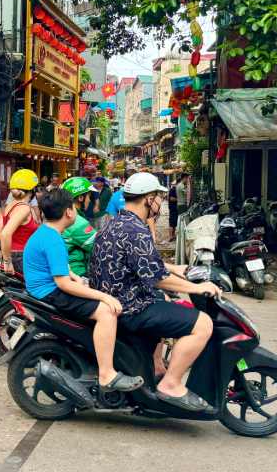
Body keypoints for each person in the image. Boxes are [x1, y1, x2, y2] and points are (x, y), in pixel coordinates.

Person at [90, 172, 221, 411]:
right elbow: (158, 278)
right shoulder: (136, 230)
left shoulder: (117, 223)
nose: (160, 202)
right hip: (130, 307)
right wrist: (196, 287)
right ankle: (170, 384)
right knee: (202, 324)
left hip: (118, 299)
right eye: (158, 197)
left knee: (167, 302)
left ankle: (158, 368)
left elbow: (142, 262)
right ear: (148, 199)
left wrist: (178, 269)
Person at [24, 189, 144, 392]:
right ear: (69, 212)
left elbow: (58, 267)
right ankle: (107, 374)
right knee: (107, 312)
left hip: (44, 288)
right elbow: (62, 284)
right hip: (50, 293)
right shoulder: (53, 239)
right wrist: (104, 296)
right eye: (73, 207)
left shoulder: (47, 232)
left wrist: (74, 276)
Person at [0, 169, 39, 277]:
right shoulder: (24, 209)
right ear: (32, 190)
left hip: (12, 255)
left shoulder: (9, 206)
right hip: (21, 257)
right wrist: (7, 261)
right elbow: (5, 234)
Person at [61, 177, 99, 278]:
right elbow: (99, 246)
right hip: (76, 272)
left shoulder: (64, 214)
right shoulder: (77, 222)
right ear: (81, 198)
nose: (90, 200)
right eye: (88, 197)